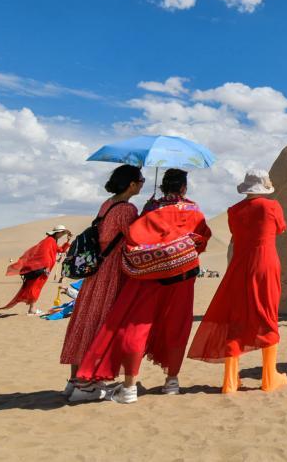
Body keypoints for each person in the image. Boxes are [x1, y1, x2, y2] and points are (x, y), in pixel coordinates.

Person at [73, 169, 212, 404]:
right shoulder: (194, 210)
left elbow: (134, 236)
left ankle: (129, 387)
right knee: (177, 325)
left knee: (136, 326)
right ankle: (172, 381)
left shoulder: (151, 208)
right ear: (184, 188)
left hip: (148, 277)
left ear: (162, 186)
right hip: (183, 277)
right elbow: (202, 239)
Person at [189, 170, 287, 393]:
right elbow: (280, 228)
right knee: (267, 315)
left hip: (239, 265)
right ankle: (269, 378)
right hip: (265, 264)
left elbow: (238, 233)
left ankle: (230, 381)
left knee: (236, 317)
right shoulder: (272, 207)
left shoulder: (233, 211)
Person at [58, 165, 143, 398]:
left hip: (95, 271)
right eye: (141, 180)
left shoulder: (107, 204)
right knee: (101, 323)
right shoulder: (127, 209)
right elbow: (135, 237)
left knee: (85, 319)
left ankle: (75, 380)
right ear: (132, 184)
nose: (143, 183)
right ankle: (87, 384)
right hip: (112, 272)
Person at [0, 226, 71, 314]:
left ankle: (31, 308)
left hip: (42, 269)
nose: (61, 235)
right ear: (57, 233)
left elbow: (61, 250)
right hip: (42, 269)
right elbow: (43, 254)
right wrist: (46, 268)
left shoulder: (51, 241)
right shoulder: (50, 240)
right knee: (35, 287)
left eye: (63, 233)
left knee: (35, 287)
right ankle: (32, 309)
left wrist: (68, 240)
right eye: (61, 233)